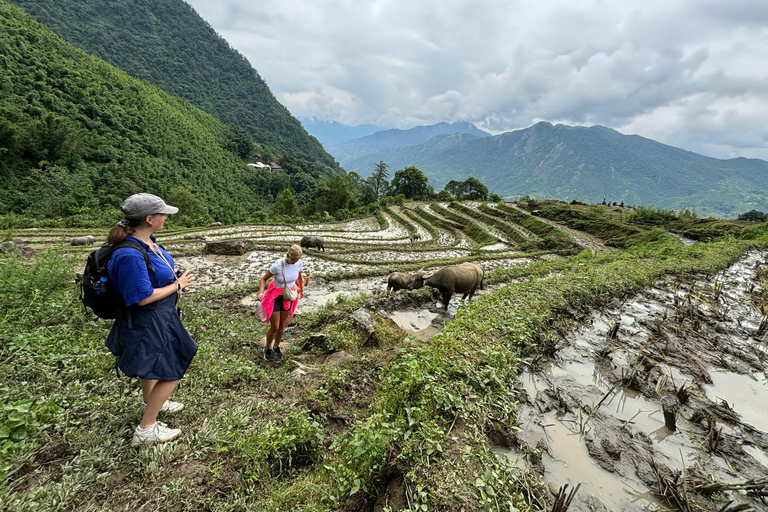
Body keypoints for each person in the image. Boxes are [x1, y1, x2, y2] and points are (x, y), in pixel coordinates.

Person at [105, 193, 197, 445]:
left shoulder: (149, 243)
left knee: (152, 364)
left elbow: (157, 274)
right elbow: (141, 297)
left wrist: (174, 281)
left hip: (161, 314)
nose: (165, 218)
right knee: (174, 364)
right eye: (162, 214)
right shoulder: (130, 255)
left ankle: (153, 401)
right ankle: (146, 429)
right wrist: (178, 285)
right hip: (149, 319)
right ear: (149, 219)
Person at [256, 245, 310, 361]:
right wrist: (261, 293)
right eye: (292, 259)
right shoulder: (277, 265)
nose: (294, 262)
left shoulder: (299, 263)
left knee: (283, 325)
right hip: (275, 296)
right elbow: (263, 279)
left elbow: (299, 278)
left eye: (296, 260)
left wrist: (301, 289)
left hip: (288, 296)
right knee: (275, 326)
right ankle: (267, 348)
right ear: (288, 255)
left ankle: (276, 346)